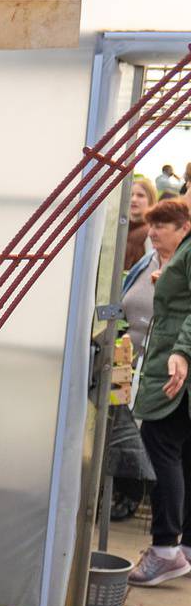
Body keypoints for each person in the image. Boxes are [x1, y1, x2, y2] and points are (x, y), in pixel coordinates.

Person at [129, 197, 191, 585]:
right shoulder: (181, 253)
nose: (152, 232)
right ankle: (184, 549)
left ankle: (165, 548)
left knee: (160, 443)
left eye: (161, 226)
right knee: (185, 454)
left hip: (175, 370)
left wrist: (182, 352)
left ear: (183, 227)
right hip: (177, 367)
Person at [108, 197, 164, 521]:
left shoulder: (178, 269)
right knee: (121, 426)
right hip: (126, 357)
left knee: (149, 434)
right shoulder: (147, 262)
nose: (153, 232)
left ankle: (137, 497)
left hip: (158, 365)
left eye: (161, 227)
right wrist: (104, 319)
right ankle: (125, 493)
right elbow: (121, 298)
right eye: (152, 226)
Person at [126, 177, 158, 272]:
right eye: (131, 195)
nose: (134, 199)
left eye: (140, 195)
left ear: (151, 200)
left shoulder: (153, 231)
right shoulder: (116, 228)